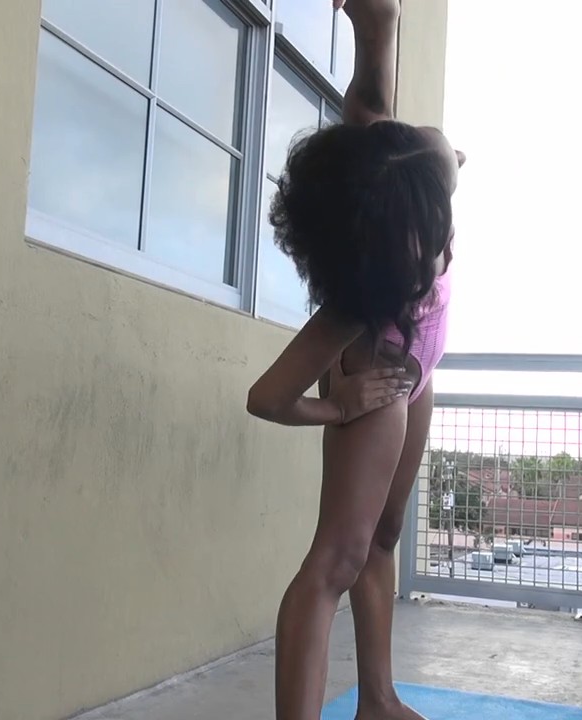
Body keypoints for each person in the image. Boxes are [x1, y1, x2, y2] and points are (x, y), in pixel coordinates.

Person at [245, 1, 465, 717]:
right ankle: (378, 26)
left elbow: (392, 134)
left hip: (418, 369)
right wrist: (338, 405)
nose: (449, 249)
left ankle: (379, 699)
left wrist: (443, 172)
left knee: (386, 535)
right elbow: (267, 396)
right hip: (383, 376)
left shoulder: (424, 168)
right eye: (431, 247)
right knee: (335, 563)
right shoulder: (354, 311)